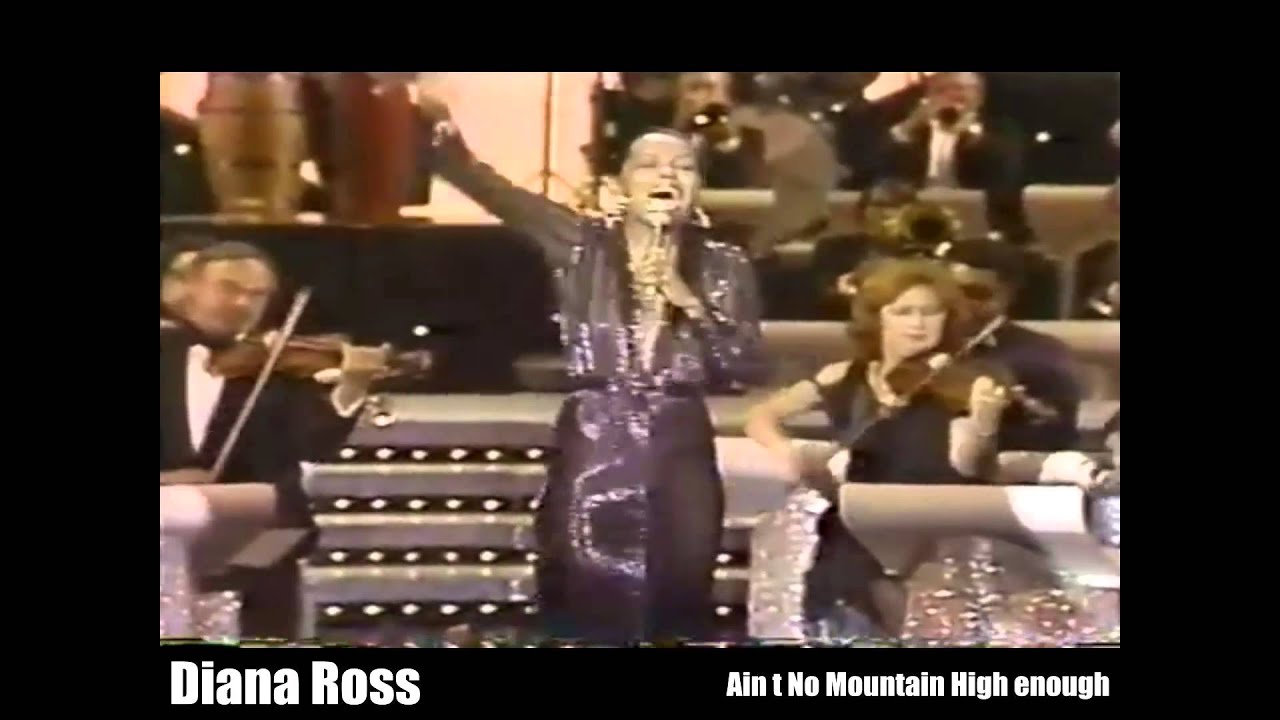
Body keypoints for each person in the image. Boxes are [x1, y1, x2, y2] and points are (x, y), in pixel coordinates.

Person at [424, 100, 769, 644]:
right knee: (587, 573)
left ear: (697, 187)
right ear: (620, 186)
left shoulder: (725, 263)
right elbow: (501, 196)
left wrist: (689, 303)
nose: (666, 176)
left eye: (682, 167)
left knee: (681, 572)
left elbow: (744, 363)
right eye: (649, 165)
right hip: (596, 430)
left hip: (680, 434)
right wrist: (448, 149)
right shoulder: (582, 245)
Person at [744, 258, 1011, 637]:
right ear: (878, 318)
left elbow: (966, 463)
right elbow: (760, 416)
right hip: (859, 517)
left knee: (874, 582)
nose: (918, 323)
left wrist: (984, 424)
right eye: (903, 312)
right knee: (839, 569)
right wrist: (785, 451)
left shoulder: (965, 382)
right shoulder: (842, 375)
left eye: (930, 312)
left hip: (930, 520)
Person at [160, 240, 390, 638]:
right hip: (168, 535)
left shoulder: (277, 366)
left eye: (258, 294)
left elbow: (314, 444)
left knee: (264, 637)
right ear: (189, 288)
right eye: (229, 288)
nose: (243, 303)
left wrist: (352, 385)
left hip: (268, 534)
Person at [935, 239, 1082, 450]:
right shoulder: (916, 341)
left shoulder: (1042, 354)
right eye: (952, 291)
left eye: (977, 294)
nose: (961, 304)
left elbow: (1055, 436)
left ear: (1008, 294)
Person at [879, 72, 1031, 244]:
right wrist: (908, 127)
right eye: (941, 90)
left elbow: (1004, 170)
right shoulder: (912, 129)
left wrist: (972, 134)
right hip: (917, 213)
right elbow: (875, 166)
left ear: (979, 96)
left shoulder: (1001, 129)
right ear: (927, 97)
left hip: (977, 218)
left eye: (961, 88)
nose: (952, 94)